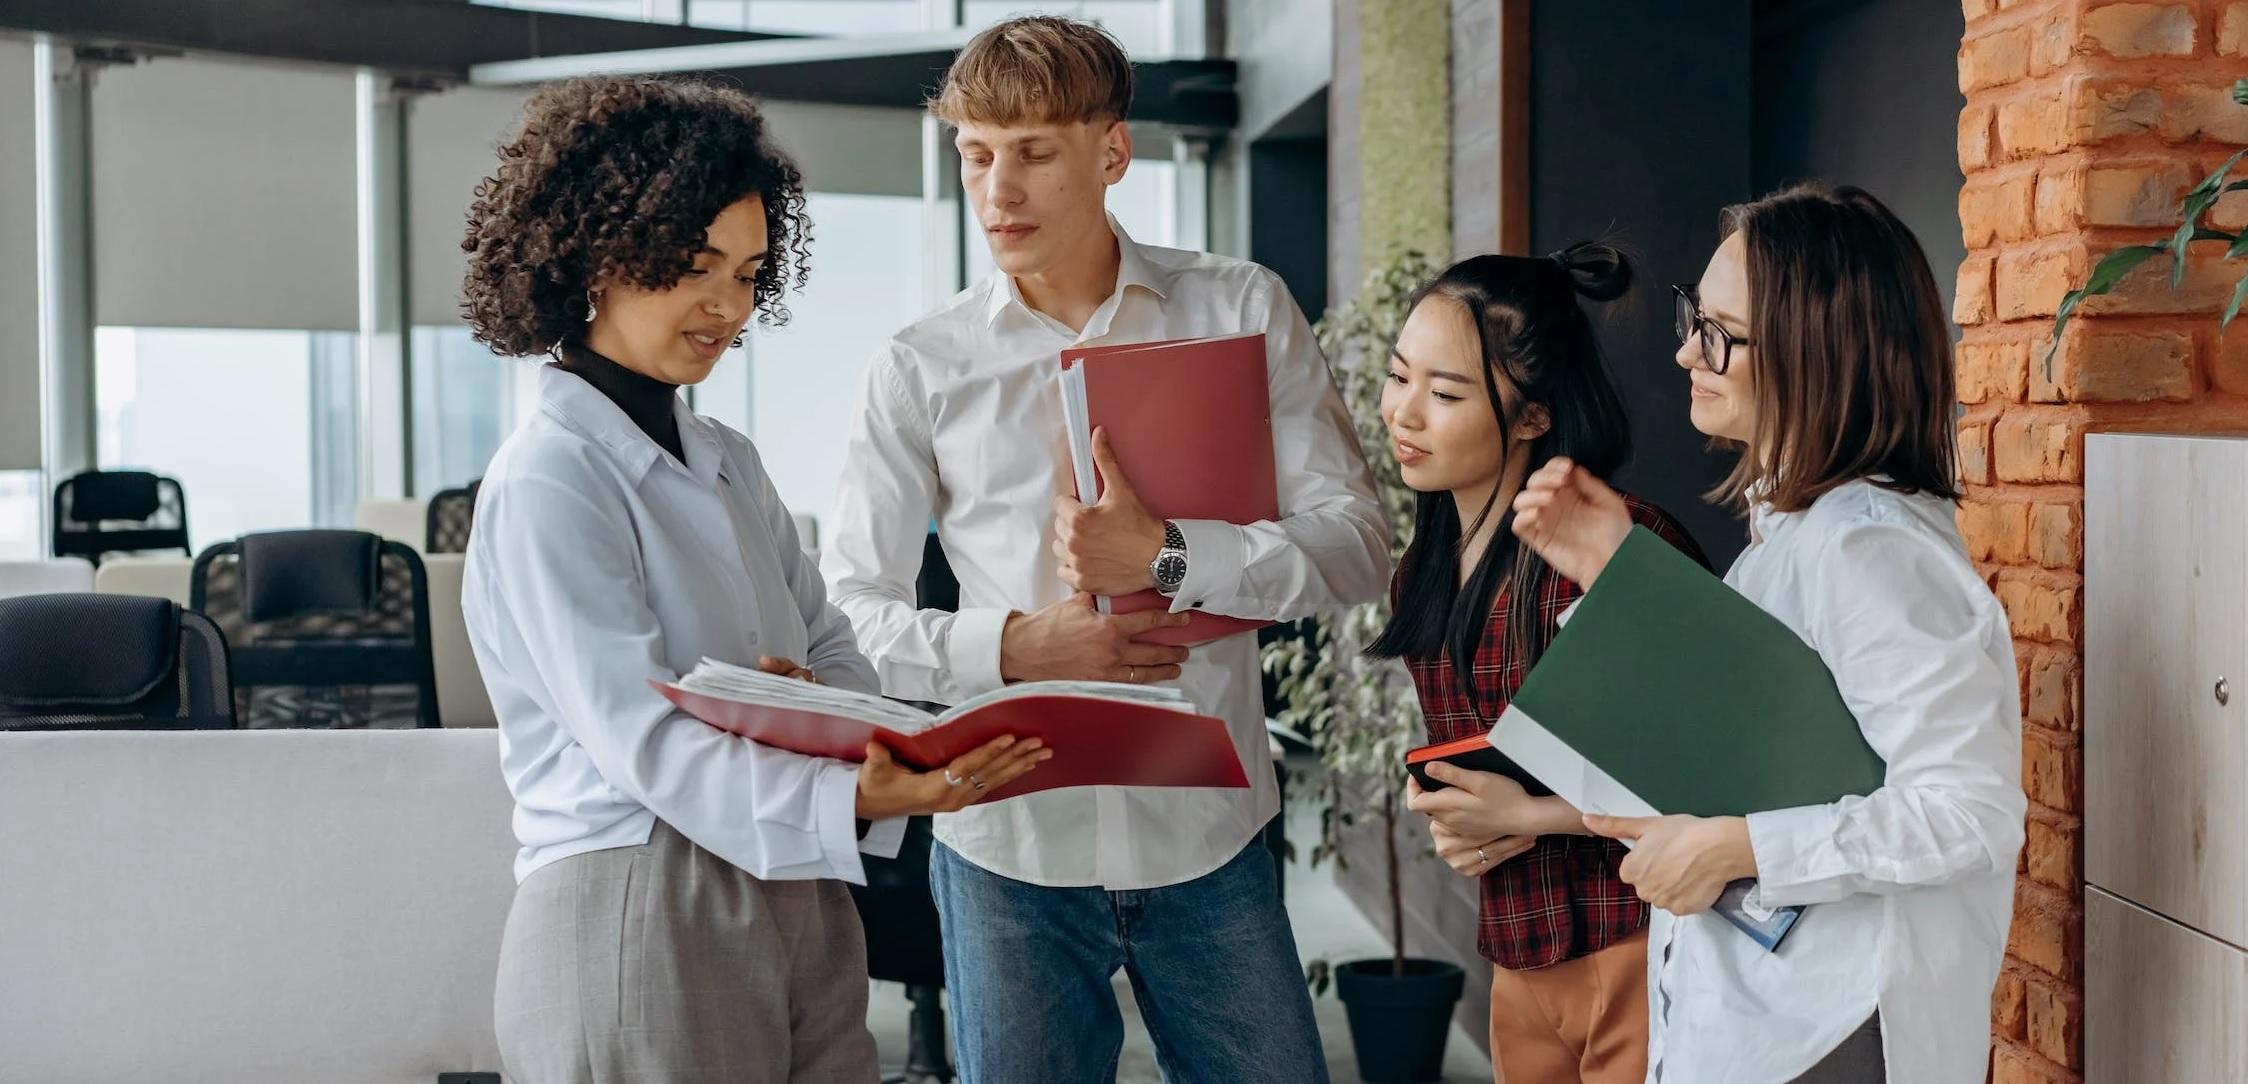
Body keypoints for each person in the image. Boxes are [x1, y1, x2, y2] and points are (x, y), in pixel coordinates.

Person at [819, 16, 1389, 1083]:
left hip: (1208, 838)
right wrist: (1018, 648)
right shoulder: (919, 364)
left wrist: (1167, 556)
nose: (999, 191)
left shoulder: (1241, 306)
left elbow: (1357, 546)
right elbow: (847, 615)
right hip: (1009, 848)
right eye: (977, 156)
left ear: (1112, 154)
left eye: (1033, 153)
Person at [457, 76, 1047, 1084]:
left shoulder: (727, 456)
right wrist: (838, 772)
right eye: (695, 268)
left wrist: (854, 739)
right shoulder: (549, 475)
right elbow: (640, 739)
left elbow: (830, 650)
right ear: (598, 255)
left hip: (797, 885)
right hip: (637, 899)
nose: (727, 306)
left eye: (748, 272)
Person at [1510, 183, 2027, 1083]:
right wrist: (1617, 579)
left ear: (1814, 352)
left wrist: (1735, 848)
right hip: (1764, 1017)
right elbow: (1759, 746)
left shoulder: (1868, 549)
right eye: (1691, 318)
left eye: (1719, 333)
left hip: (1830, 1027)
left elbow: (1970, 811)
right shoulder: (1797, 533)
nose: (1684, 352)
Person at [1373, 247, 1706, 1084]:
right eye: (1398, 377)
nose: (1404, 414)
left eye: (1445, 394)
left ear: (1532, 418)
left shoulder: (1619, 545)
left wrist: (1524, 818)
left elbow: (1711, 776)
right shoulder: (1420, 571)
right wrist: (1457, 815)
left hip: (1639, 940)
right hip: (1519, 953)